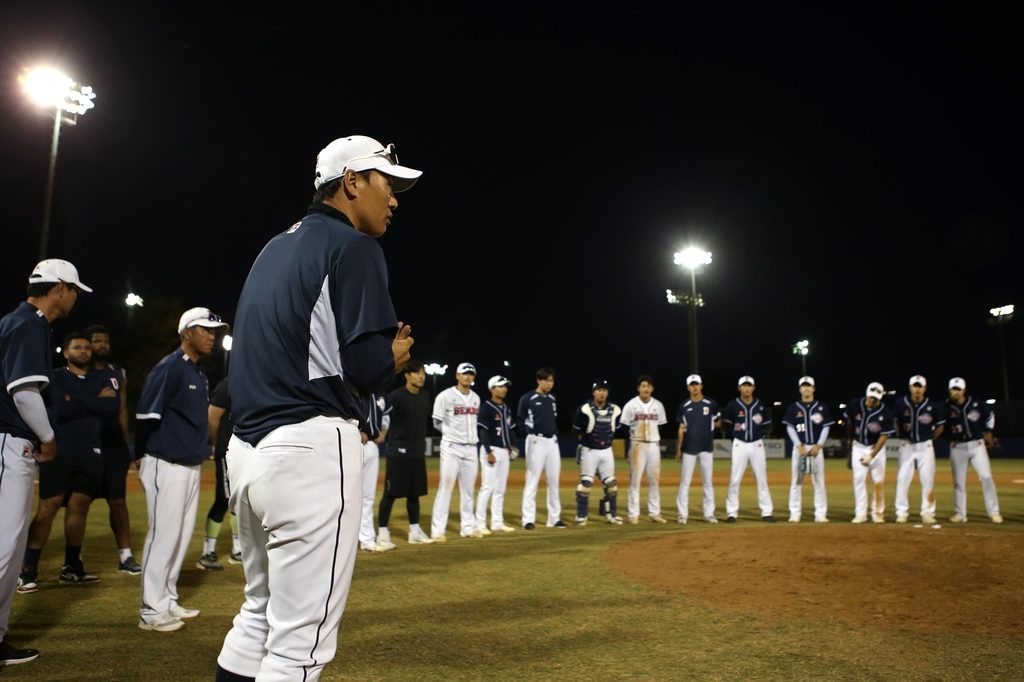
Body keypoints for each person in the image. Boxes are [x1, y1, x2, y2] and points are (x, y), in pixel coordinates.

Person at [216, 135, 419, 682]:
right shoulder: (354, 246)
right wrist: (395, 357)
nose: (395, 198)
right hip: (308, 447)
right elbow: (366, 367)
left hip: (248, 448)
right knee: (300, 647)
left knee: (257, 616)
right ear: (352, 181)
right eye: (387, 183)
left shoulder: (275, 247)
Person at [1, 259, 90, 666]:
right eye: (73, 290)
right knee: (5, 547)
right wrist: (49, 439)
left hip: (9, 443)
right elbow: (23, 392)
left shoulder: (22, 321)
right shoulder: (30, 322)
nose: (74, 298)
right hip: (10, 442)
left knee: (10, 546)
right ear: (59, 289)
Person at [135, 307, 228, 632]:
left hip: (188, 466)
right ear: (187, 331)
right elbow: (147, 417)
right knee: (163, 536)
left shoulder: (197, 372)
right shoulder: (170, 367)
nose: (211, 336)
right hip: (166, 463)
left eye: (214, 332)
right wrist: (143, 456)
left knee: (179, 537)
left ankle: (168, 599)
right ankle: (150, 608)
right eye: (205, 330)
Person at [18, 332, 117, 593]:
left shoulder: (101, 376)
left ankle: (72, 567)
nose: (83, 351)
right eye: (77, 347)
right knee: (48, 508)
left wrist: (77, 400)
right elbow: (59, 408)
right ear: (66, 351)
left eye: (86, 347)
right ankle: (28, 569)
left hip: (90, 452)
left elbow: (112, 407)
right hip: (59, 452)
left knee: (80, 506)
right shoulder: (55, 377)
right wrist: (94, 401)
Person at [85, 324, 140, 575]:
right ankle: (72, 558)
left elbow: (121, 410)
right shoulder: (78, 372)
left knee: (118, 502)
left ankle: (125, 557)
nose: (102, 345)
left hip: (113, 447)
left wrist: (126, 447)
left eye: (105, 341)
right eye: (97, 341)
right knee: (79, 503)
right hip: (85, 446)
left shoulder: (118, 373)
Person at [378, 360, 434, 548]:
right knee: (390, 493)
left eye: (423, 373)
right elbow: (384, 418)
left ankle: (415, 532)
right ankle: (383, 533)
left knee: (414, 495)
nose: (421, 376)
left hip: (417, 452)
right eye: (417, 373)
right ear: (407, 376)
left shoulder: (426, 396)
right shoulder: (395, 397)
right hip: (398, 452)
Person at [431, 363, 483, 540]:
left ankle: (468, 527)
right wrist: (450, 435)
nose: (468, 377)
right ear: (457, 376)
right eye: (464, 374)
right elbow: (437, 422)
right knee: (446, 487)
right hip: (452, 447)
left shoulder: (476, 398)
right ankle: (438, 530)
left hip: (471, 448)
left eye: (471, 374)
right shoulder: (445, 396)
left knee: (468, 491)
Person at [197, 377, 242, 570]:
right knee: (223, 500)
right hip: (226, 451)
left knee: (237, 500)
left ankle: (238, 550)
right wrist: (217, 445)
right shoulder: (227, 384)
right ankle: (207, 553)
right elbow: (212, 417)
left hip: (241, 451)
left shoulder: (248, 380)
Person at [944, 377, 1002, 524]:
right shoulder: (945, 407)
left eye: (958, 389)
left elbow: (990, 416)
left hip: (977, 445)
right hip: (957, 446)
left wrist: (989, 431)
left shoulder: (975, 403)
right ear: (949, 390)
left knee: (986, 477)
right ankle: (960, 514)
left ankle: (994, 512)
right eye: (953, 389)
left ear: (964, 390)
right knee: (958, 482)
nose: (955, 392)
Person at [722, 376, 775, 522]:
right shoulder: (733, 405)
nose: (746, 388)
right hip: (740, 443)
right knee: (735, 479)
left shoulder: (760, 405)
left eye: (749, 385)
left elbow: (766, 424)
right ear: (739, 388)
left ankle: (767, 512)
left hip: (757, 444)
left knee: (762, 479)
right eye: (744, 386)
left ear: (753, 388)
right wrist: (736, 440)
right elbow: (728, 426)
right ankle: (731, 513)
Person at [893, 375, 945, 525]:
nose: (917, 389)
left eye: (920, 386)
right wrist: (901, 436)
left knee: (927, 479)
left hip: (925, 446)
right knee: (903, 479)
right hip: (906, 445)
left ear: (925, 388)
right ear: (910, 387)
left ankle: (927, 512)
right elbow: (896, 422)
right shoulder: (900, 403)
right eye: (915, 386)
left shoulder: (932, 406)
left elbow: (940, 427)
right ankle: (901, 512)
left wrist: (929, 438)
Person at [517, 367, 565, 530]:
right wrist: (528, 437)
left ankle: (554, 518)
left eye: (551, 380)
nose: (549, 383)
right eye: (546, 380)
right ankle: (528, 519)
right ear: (538, 380)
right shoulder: (528, 398)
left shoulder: (552, 398)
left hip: (552, 441)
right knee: (532, 480)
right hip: (536, 440)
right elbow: (520, 419)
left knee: (554, 481)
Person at [782, 376, 834, 523]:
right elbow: (790, 427)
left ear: (813, 389)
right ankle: (795, 513)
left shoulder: (821, 407)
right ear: (800, 389)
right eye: (803, 386)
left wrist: (818, 445)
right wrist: (799, 446)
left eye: (808, 386)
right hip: (800, 447)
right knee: (796, 481)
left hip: (816, 448)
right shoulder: (793, 408)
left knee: (819, 481)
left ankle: (820, 514)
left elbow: (826, 427)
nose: (806, 388)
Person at [571, 380, 623, 525]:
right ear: (593, 392)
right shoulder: (584, 409)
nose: (602, 393)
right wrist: (584, 443)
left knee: (611, 484)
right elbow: (576, 429)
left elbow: (617, 428)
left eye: (605, 390)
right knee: (586, 483)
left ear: (608, 393)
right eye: (599, 390)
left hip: (607, 451)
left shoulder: (615, 409)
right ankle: (581, 516)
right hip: (590, 450)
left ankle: (611, 515)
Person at [843, 382, 895, 523]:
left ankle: (877, 513)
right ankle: (860, 513)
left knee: (877, 482)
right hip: (858, 446)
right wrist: (850, 443)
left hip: (876, 449)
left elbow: (884, 436)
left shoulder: (886, 412)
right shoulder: (855, 404)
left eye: (876, 398)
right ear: (867, 394)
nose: (873, 400)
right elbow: (849, 423)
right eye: (872, 397)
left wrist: (872, 455)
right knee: (858, 480)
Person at [622, 375, 668, 524]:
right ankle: (633, 514)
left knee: (654, 480)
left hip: (654, 444)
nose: (646, 389)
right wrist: (633, 436)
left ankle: (654, 513)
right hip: (637, 444)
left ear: (652, 389)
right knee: (635, 481)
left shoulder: (658, 405)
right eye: (643, 386)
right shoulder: (630, 405)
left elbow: (660, 425)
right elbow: (623, 426)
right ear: (638, 388)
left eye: (648, 386)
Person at [475, 376, 519, 533]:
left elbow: (511, 429)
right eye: (500, 386)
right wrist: (488, 451)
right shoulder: (486, 407)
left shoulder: (506, 408)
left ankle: (497, 522)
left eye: (505, 386)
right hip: (491, 450)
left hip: (504, 451)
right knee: (487, 487)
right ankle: (480, 524)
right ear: (492, 389)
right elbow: (482, 431)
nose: (504, 389)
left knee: (500, 488)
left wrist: (514, 447)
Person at [674, 374, 719, 524]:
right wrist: (679, 448)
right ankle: (682, 514)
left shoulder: (710, 403)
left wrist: (707, 428)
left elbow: (718, 422)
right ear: (688, 387)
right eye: (691, 385)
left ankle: (709, 514)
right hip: (689, 448)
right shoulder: (684, 406)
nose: (694, 387)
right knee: (685, 482)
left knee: (708, 482)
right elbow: (681, 428)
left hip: (706, 448)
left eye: (697, 384)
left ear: (701, 386)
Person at [358, 392, 392, 552]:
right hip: (352, 444)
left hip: (372, 446)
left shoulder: (380, 394)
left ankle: (367, 539)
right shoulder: (349, 386)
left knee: (368, 498)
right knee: (342, 497)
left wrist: (383, 434)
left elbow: (385, 417)